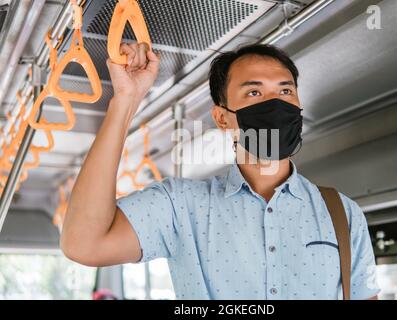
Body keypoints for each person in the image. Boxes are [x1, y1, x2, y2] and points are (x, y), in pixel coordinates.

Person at [61, 41, 380, 300]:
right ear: (222, 118)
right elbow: (83, 243)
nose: (276, 103)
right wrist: (125, 101)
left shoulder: (342, 214)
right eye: (254, 93)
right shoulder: (181, 206)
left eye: (285, 91)